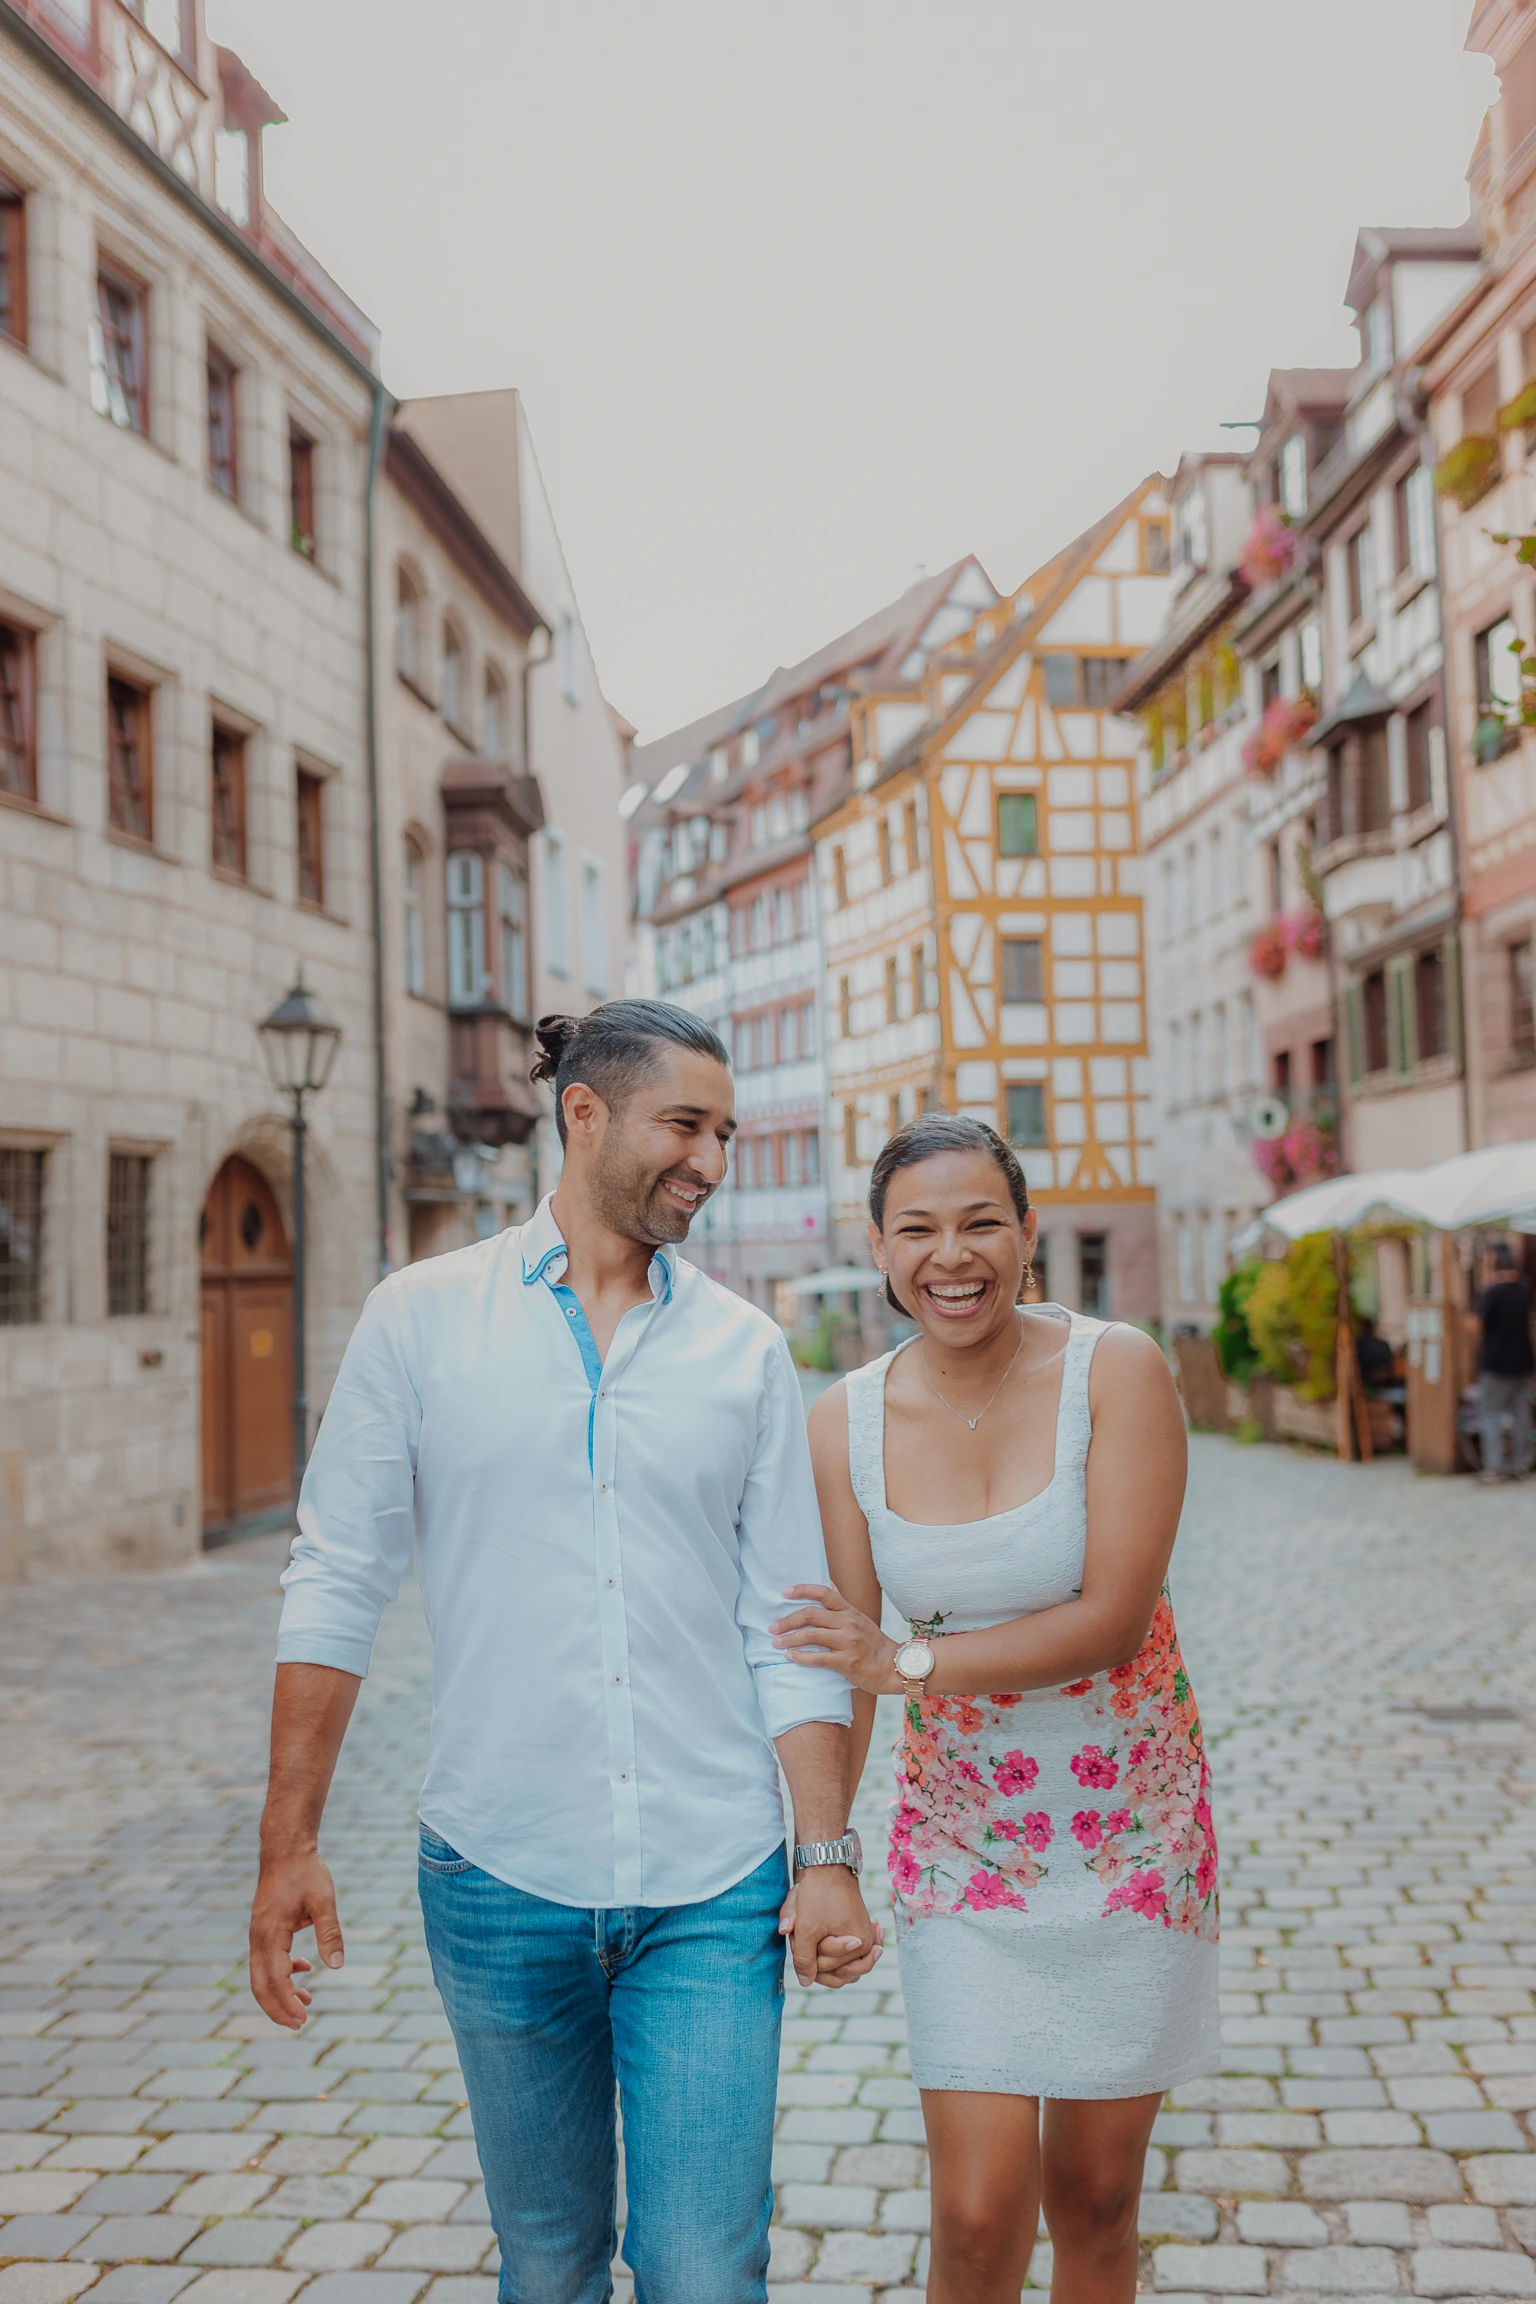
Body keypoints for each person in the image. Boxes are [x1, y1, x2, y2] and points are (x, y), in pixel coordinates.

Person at [248, 1000, 881, 2304]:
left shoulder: (744, 1352)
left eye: (725, 1131)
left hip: (712, 1880)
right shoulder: (418, 1321)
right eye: (685, 1126)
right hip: (496, 1876)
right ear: (582, 1114)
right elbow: (336, 1579)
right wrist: (288, 1843)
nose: (711, 1158)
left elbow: (793, 1624)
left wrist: (823, 1856)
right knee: (547, 2268)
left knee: (708, 2269)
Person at [771, 1114, 1218, 2304]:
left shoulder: (1114, 1368)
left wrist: (908, 1666)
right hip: (967, 1853)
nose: (951, 1255)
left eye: (981, 1224)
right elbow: (835, 1664)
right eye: (918, 1229)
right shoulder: (842, 1425)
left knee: (1097, 2201)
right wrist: (825, 1856)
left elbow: (1113, 1618)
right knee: (974, 2217)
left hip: (1133, 1841)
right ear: (878, 1247)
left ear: (1027, 1235)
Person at [1470, 1241, 1535, 1483]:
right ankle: (1519, 1463)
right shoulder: (1524, 1288)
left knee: (1490, 1413)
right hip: (1522, 1360)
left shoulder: (1492, 1291)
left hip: (1495, 1360)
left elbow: (1474, 1325)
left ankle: (1494, 1467)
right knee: (1520, 1413)